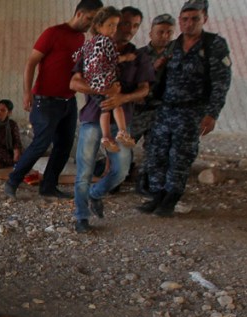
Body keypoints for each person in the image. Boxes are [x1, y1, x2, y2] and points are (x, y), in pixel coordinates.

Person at [138, 0, 231, 216]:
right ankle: (157, 195)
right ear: (180, 21)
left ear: (204, 19)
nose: (189, 24)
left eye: (195, 19)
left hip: (191, 111)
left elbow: (221, 81)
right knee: (157, 154)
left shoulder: (213, 45)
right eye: (185, 19)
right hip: (166, 109)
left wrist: (212, 114)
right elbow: (159, 78)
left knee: (180, 156)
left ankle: (171, 198)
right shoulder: (173, 46)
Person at [4, 0, 104, 199]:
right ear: (79, 13)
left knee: (64, 146)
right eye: (89, 19)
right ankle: (13, 181)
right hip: (45, 100)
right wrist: (27, 93)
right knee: (41, 143)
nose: (90, 24)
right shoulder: (53, 33)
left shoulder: (82, 38)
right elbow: (31, 63)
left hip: (68, 101)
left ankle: (49, 186)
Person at [70, 5, 155, 233]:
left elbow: (144, 89)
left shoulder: (138, 56)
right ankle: (81, 217)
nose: (128, 29)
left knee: (120, 170)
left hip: (120, 118)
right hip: (92, 116)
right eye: (124, 23)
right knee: (84, 170)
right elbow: (74, 83)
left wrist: (122, 97)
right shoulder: (93, 48)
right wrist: (103, 91)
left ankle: (95, 195)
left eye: (135, 25)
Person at [73, 7, 137, 153]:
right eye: (110, 25)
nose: (114, 29)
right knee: (116, 104)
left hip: (95, 81)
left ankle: (106, 137)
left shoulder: (91, 43)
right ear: (98, 26)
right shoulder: (105, 42)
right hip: (103, 81)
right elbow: (112, 59)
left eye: (116, 25)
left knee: (106, 109)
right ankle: (121, 132)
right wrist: (126, 58)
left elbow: (79, 55)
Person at [130, 13, 177, 194]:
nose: (165, 36)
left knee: (154, 149)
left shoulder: (176, 55)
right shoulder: (138, 55)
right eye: (160, 32)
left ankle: (145, 183)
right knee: (124, 146)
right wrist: (153, 68)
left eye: (169, 32)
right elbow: (129, 81)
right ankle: (118, 176)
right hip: (138, 110)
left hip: (161, 110)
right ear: (151, 33)